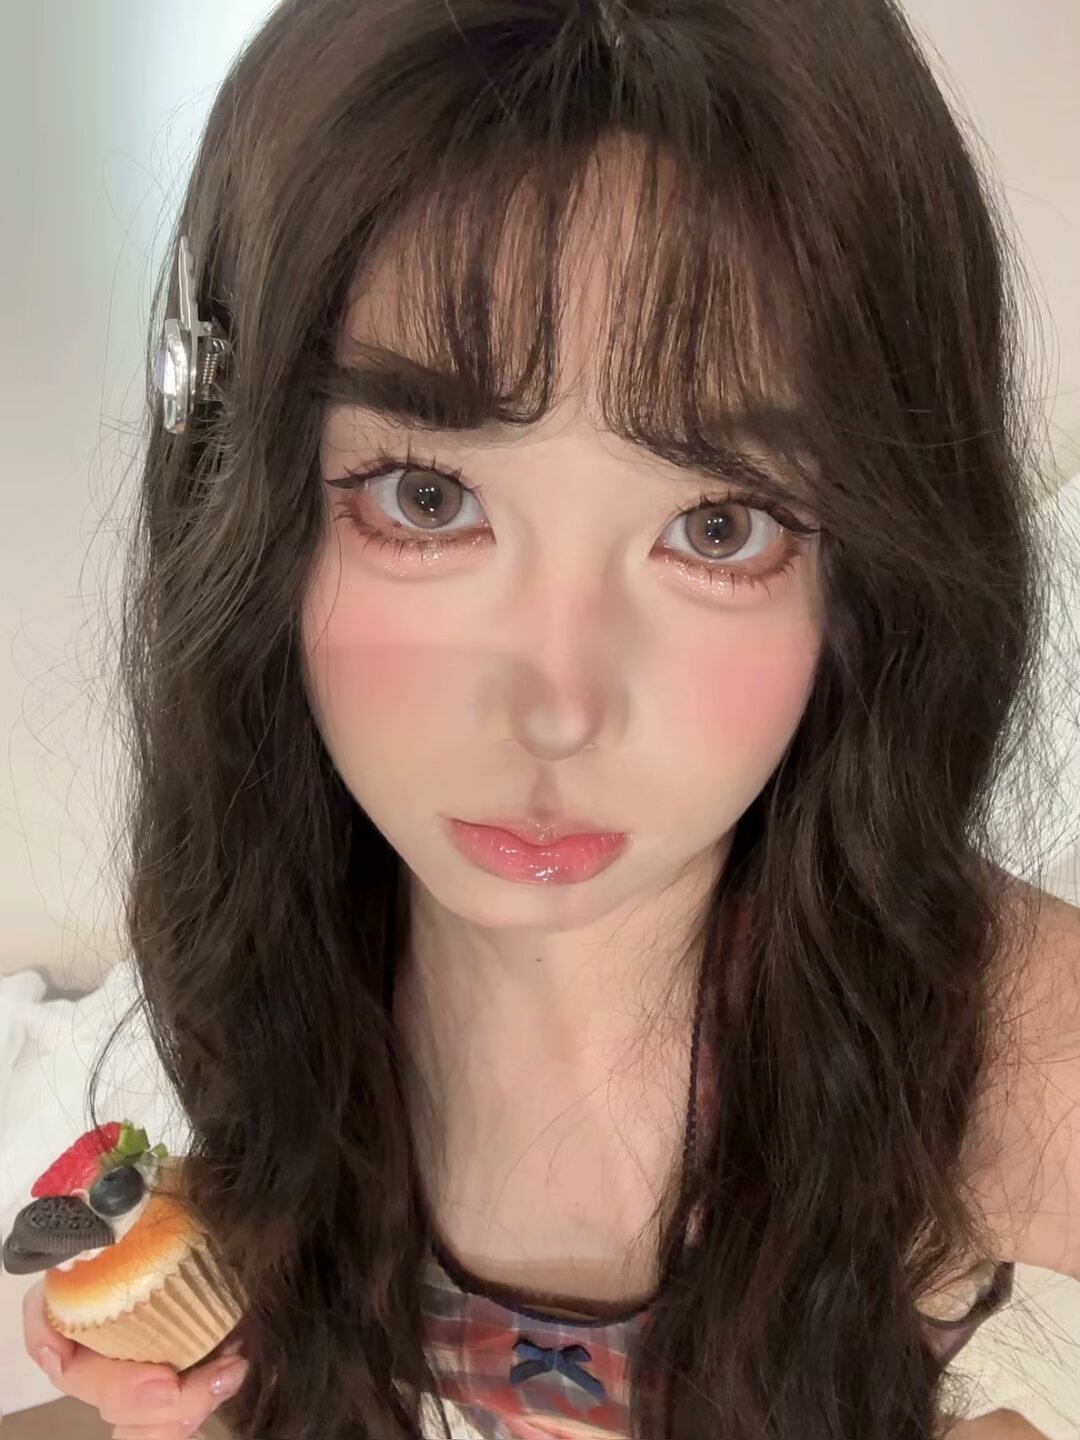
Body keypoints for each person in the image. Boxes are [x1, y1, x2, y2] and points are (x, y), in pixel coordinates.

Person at [17, 0, 1080, 1436]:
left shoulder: (987, 1039)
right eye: (427, 500)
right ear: (248, 503)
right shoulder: (288, 941)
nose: (559, 710)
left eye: (719, 526)